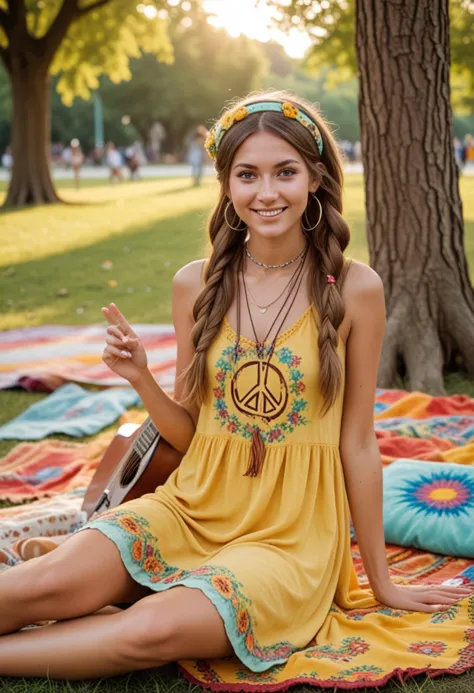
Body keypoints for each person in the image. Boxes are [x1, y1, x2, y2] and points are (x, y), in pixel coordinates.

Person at [0, 91, 472, 686]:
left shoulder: (357, 289)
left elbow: (358, 444)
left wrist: (380, 582)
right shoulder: (194, 284)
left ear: (315, 178)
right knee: (36, 587)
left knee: (150, 630)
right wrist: (142, 379)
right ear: (226, 183)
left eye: (285, 172)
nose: (266, 192)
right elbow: (188, 435)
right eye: (247, 174)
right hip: (191, 506)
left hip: (288, 538)